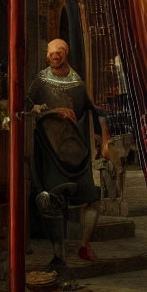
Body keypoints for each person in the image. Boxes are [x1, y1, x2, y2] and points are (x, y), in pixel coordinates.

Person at [27, 39, 110, 270]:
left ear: (66, 54)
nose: (55, 56)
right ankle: (58, 254)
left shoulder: (78, 82)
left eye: (59, 52)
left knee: (92, 199)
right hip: (50, 150)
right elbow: (26, 105)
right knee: (49, 199)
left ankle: (84, 245)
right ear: (47, 56)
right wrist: (52, 110)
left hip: (77, 151)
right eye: (52, 53)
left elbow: (98, 110)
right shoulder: (41, 81)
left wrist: (104, 140)